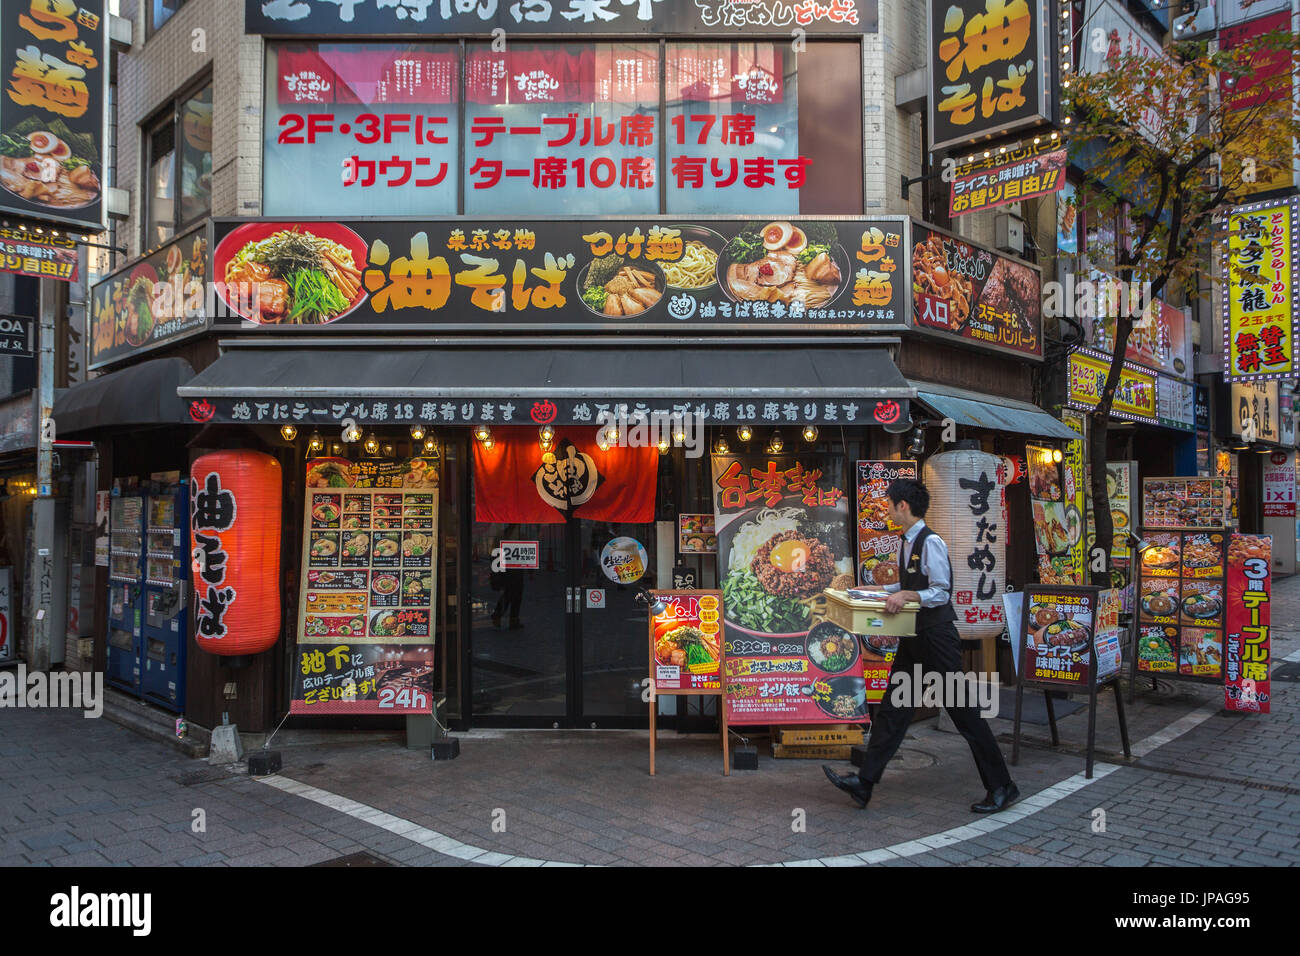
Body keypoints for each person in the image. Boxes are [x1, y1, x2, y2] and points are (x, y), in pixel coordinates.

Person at [823, 477, 1018, 813]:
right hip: (915, 637)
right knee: (893, 710)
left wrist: (907, 594)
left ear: (903, 506)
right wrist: (876, 591)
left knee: (965, 714)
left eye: (888, 503)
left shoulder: (931, 542)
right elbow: (912, 582)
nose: (886, 508)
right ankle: (864, 783)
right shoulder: (906, 540)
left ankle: (1002, 786)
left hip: (937, 638)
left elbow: (941, 590)